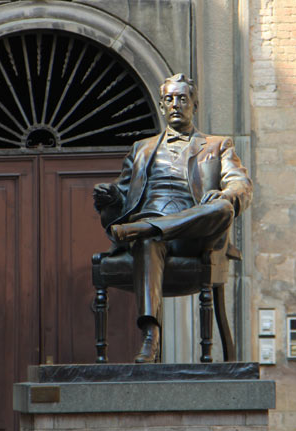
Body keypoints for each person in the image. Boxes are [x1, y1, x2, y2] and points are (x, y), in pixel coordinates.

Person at [93, 73, 253, 363]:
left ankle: (145, 229)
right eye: (169, 99)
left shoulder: (217, 145)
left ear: (194, 104)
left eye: (182, 98)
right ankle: (150, 335)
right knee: (147, 240)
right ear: (161, 105)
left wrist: (225, 195)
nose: (176, 104)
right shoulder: (140, 149)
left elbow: (241, 185)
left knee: (224, 209)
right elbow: (123, 197)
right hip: (150, 231)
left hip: (195, 236)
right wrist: (110, 199)